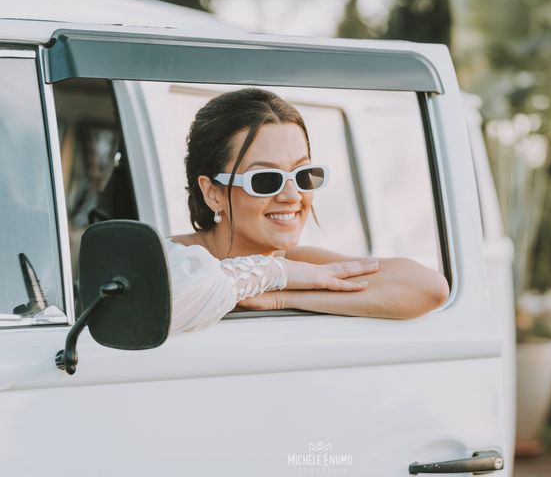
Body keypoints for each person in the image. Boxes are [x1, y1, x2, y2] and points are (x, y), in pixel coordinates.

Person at [167, 88, 449, 333]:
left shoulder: (303, 265)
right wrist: (271, 274)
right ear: (213, 193)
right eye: (265, 179)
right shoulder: (167, 259)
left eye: (304, 175)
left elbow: (429, 287)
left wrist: (285, 298)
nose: (293, 196)